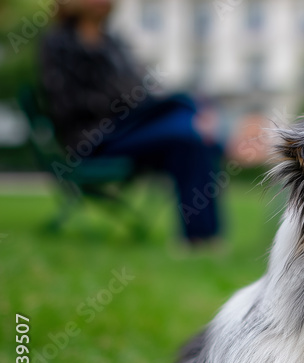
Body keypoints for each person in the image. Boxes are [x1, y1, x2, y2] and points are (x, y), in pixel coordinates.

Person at [39, 0, 223, 246]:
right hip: (94, 141)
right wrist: (123, 99)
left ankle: (206, 237)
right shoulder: (58, 43)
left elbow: (140, 92)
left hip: (129, 130)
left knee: (190, 130)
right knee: (186, 133)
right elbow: (66, 103)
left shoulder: (114, 42)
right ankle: (200, 237)